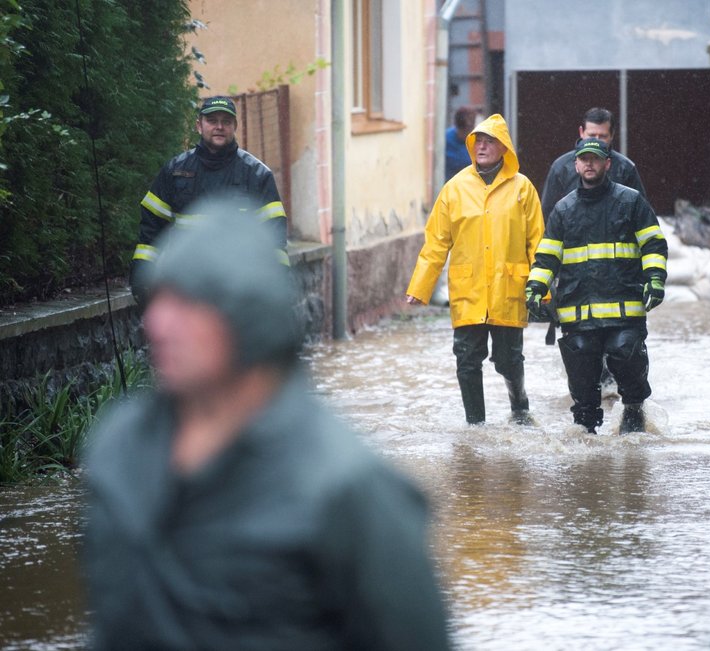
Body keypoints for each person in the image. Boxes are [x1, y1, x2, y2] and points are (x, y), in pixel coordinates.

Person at [84, 203, 450, 650]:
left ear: (248, 316)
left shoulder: (346, 489)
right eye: (159, 299)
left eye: (188, 303)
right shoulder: (118, 448)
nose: (158, 323)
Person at [406, 113, 544, 425]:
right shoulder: (454, 189)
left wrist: (542, 288)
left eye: (489, 141)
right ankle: (475, 423)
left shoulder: (523, 189)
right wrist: (420, 287)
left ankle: (519, 407)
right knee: (467, 359)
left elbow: (537, 242)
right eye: (478, 141)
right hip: (468, 290)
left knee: (508, 360)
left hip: (508, 288)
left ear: (503, 147)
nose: (481, 146)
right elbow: (436, 242)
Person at [525, 138, 667, 434]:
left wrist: (654, 279)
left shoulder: (630, 201)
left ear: (607, 164)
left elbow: (653, 243)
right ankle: (585, 435)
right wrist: (536, 288)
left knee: (625, 351)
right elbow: (547, 256)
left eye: (595, 159)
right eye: (584, 159)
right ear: (576, 164)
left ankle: (633, 413)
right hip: (579, 308)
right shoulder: (564, 210)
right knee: (581, 370)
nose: (589, 164)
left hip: (623, 307)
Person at [129, 96, 288, 310]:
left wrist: (278, 286)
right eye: (212, 120)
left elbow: (274, 239)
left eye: (226, 121)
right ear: (199, 125)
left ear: (235, 126)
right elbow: (151, 231)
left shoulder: (257, 175)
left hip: (239, 291)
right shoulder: (175, 171)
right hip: (185, 289)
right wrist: (142, 274)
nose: (219, 127)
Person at [539, 106, 647, 221]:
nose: (596, 140)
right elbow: (548, 215)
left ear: (612, 135)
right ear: (581, 132)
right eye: (592, 135)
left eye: (602, 136)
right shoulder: (561, 167)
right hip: (573, 237)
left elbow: (642, 214)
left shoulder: (625, 168)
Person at [445, 106, 476, 180]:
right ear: (456, 126)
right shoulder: (445, 139)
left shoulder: (476, 142)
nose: (467, 136)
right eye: (463, 132)